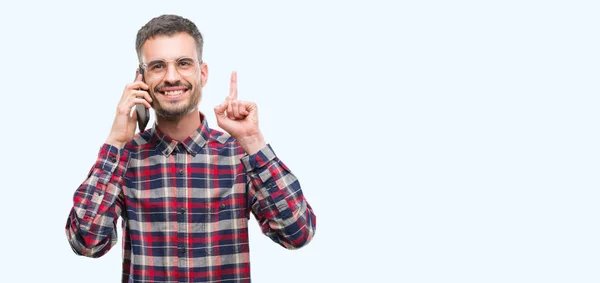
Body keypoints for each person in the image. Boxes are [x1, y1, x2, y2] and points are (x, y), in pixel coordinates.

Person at [65, 14, 316, 282]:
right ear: (141, 78)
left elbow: (297, 233)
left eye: (183, 63)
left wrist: (253, 141)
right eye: (158, 66)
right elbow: (86, 242)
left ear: (203, 73)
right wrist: (115, 142)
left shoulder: (241, 154)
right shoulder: (124, 158)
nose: (172, 77)